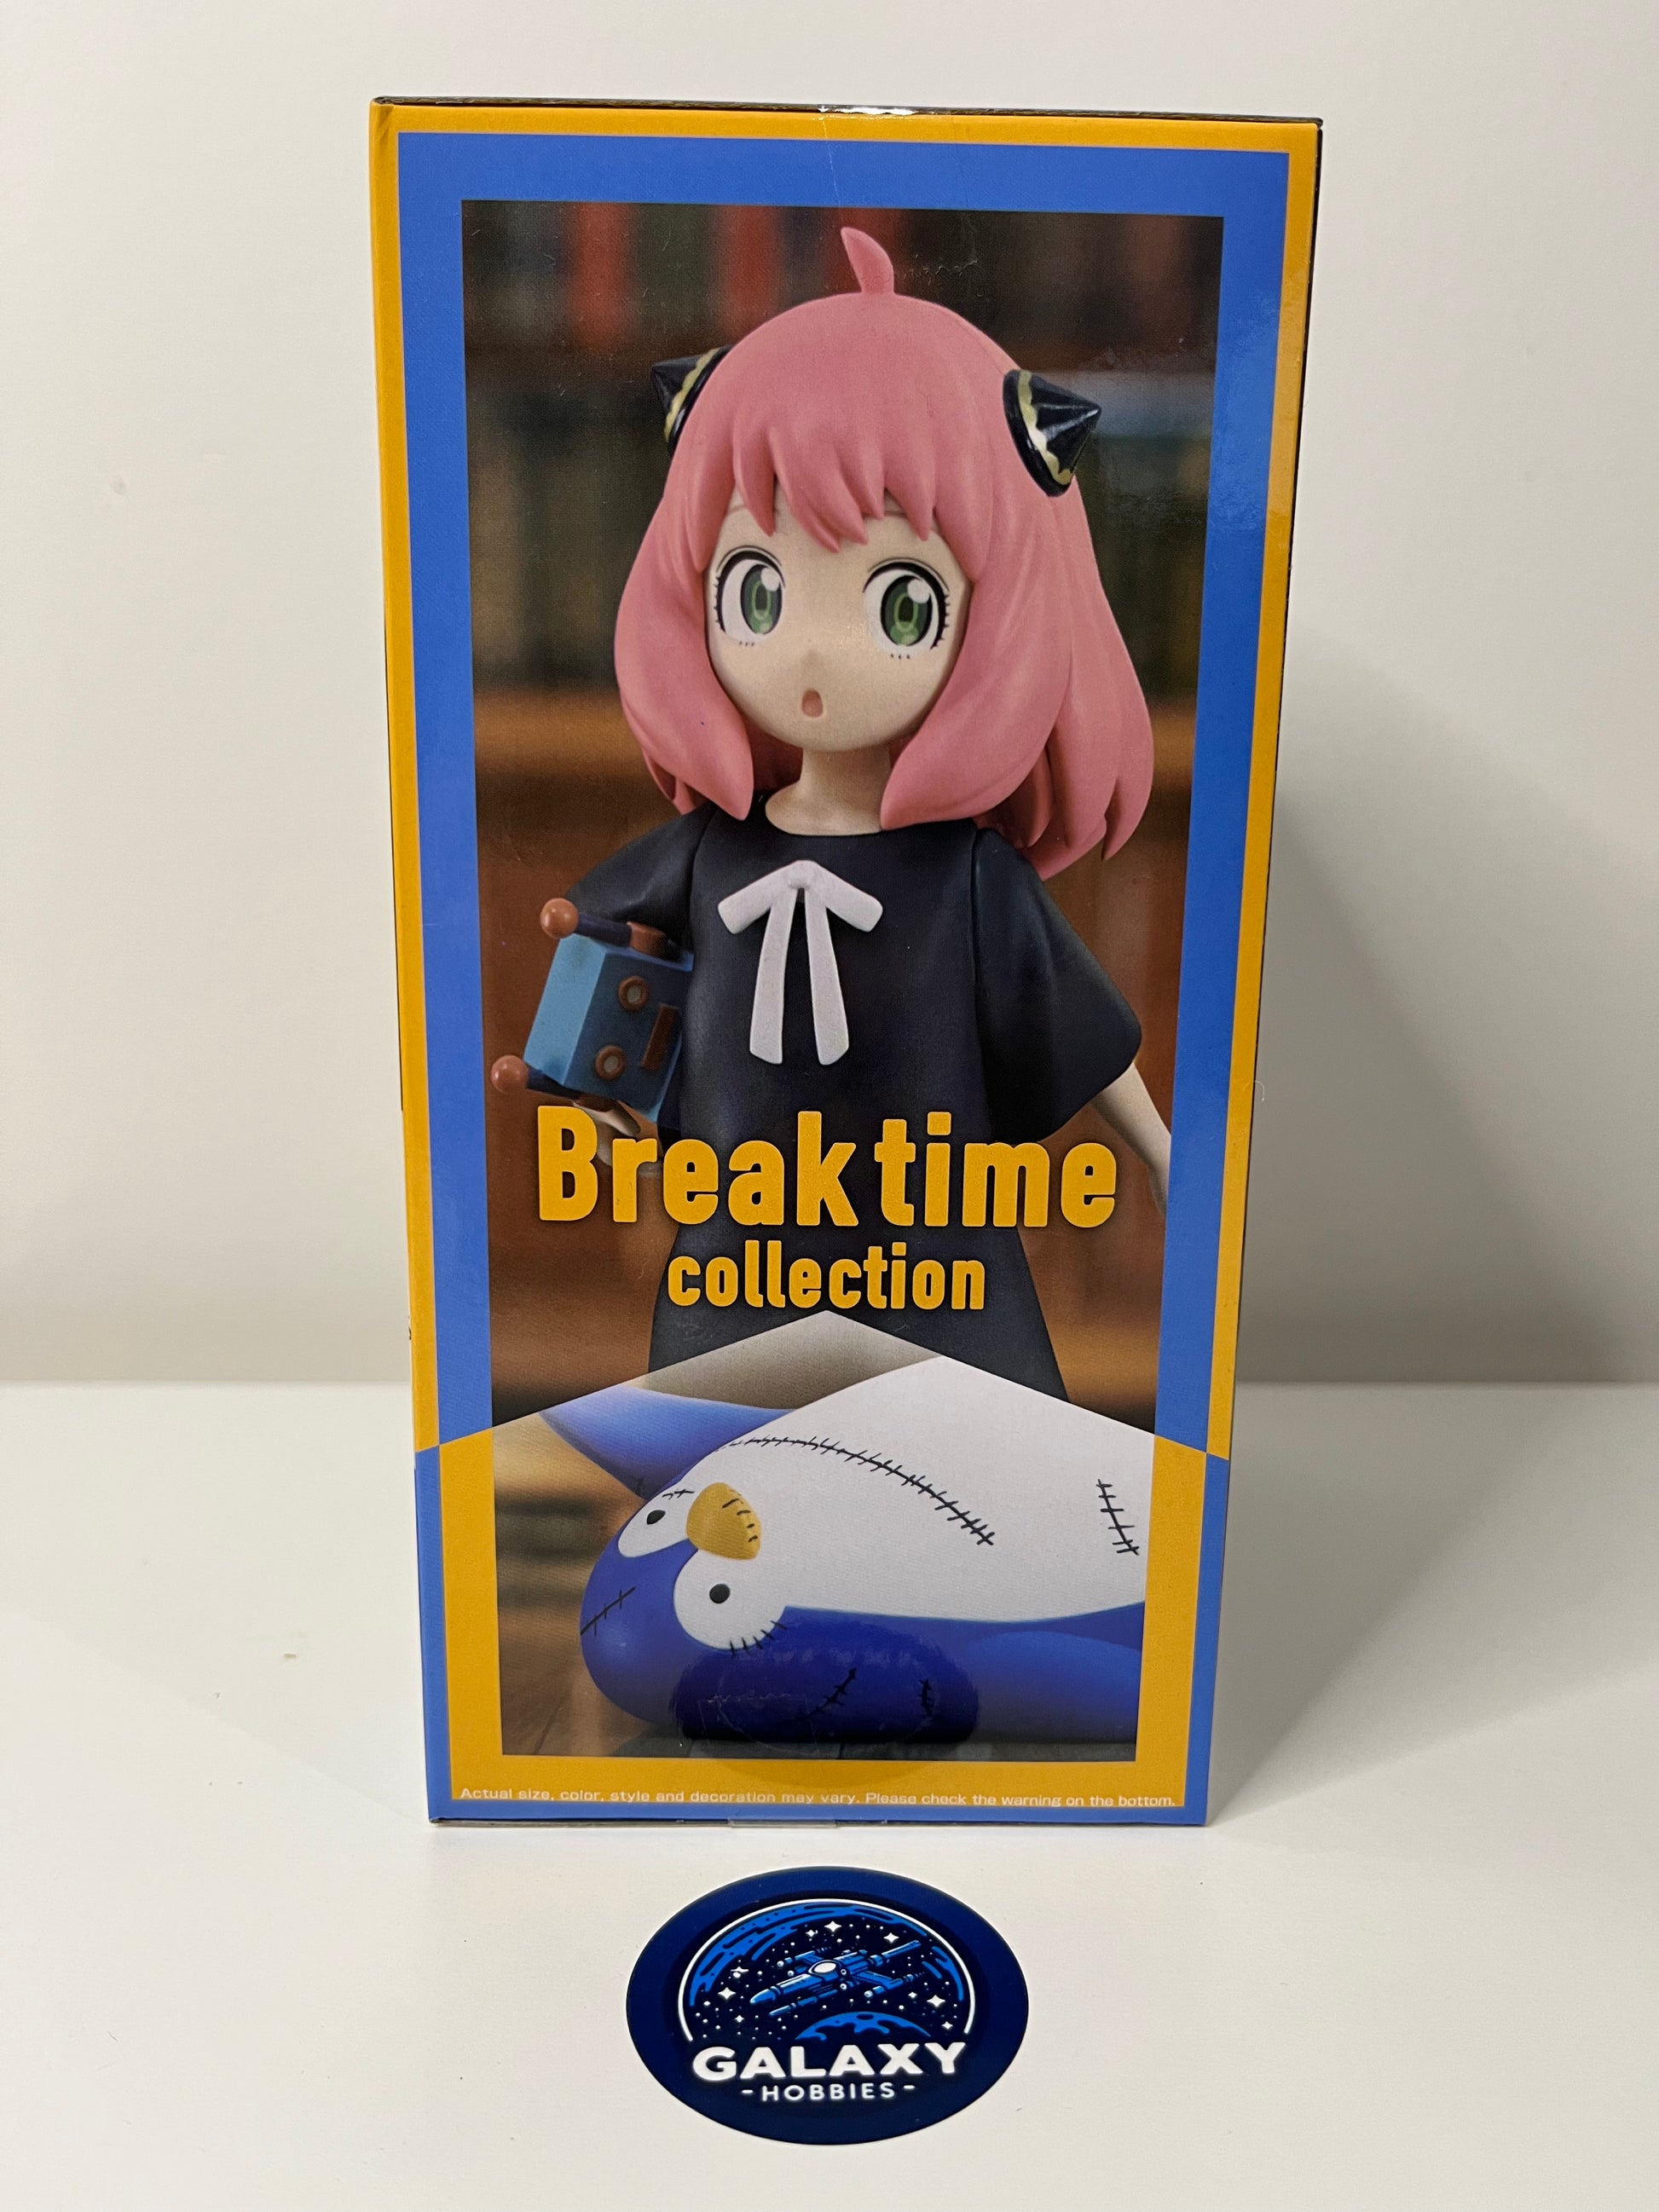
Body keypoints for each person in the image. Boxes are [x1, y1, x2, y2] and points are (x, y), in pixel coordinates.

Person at [500, 228, 1171, 1400]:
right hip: (737, 1253)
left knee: (969, 1456)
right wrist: (590, 1092)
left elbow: (1079, 1026)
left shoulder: (966, 878)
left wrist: (1164, 1156)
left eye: (900, 604)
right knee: (724, 1462)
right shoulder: (711, 851)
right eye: (756, 592)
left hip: (934, 1258)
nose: (810, 651)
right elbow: (601, 953)